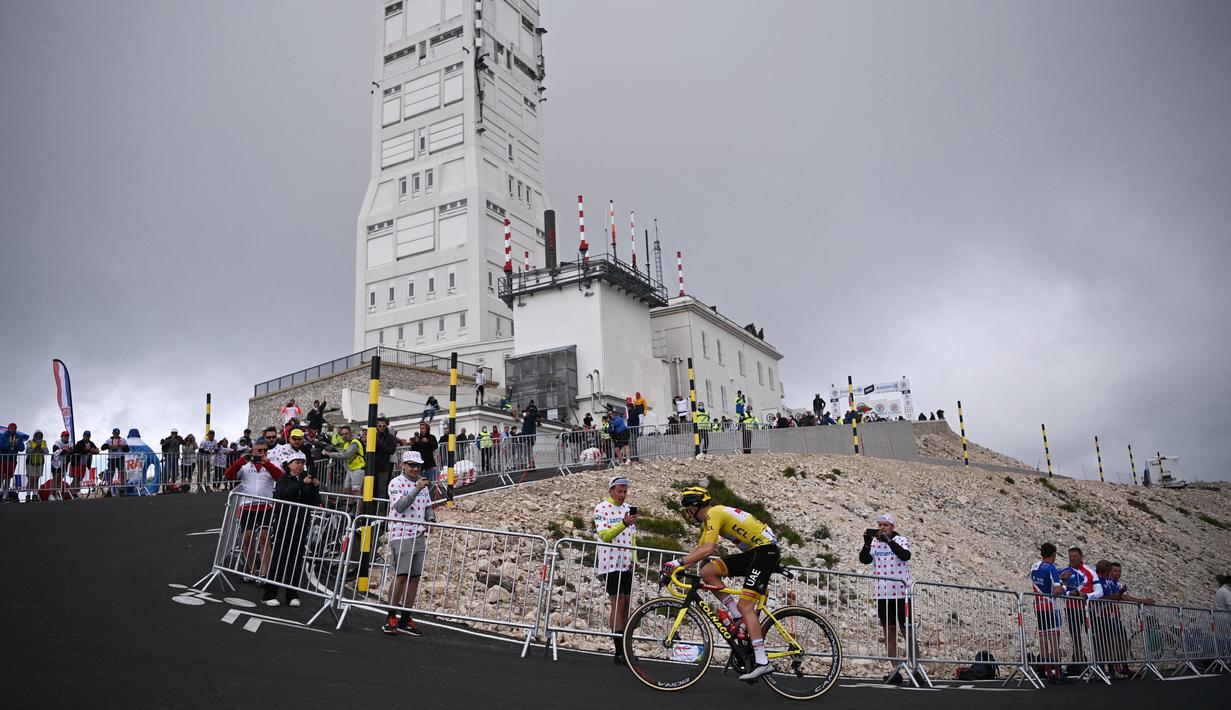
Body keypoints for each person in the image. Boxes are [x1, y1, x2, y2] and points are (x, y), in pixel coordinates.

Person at [662, 486, 780, 681]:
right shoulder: (712, 518)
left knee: (746, 605)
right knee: (708, 572)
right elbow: (699, 551)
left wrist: (677, 562)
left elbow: (708, 549)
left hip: (765, 552)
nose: (688, 514)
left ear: (693, 506)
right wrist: (675, 570)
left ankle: (762, 661)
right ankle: (736, 616)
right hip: (755, 553)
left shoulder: (714, 513)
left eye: (687, 509)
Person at [859, 513, 917, 684]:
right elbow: (864, 559)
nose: (882, 528)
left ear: (892, 527)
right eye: (880, 525)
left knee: (907, 630)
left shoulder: (900, 540)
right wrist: (867, 542)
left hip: (901, 593)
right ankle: (895, 670)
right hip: (883, 593)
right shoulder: (875, 543)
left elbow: (905, 555)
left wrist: (888, 541)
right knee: (889, 630)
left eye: (885, 525)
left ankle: (917, 668)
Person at [382, 450, 434, 635]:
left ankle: (406, 617)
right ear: (403, 465)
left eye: (418, 466)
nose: (415, 469)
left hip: (418, 534)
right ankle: (390, 615)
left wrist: (431, 519)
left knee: (414, 577)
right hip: (401, 533)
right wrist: (416, 488)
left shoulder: (423, 485)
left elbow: (428, 506)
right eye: (412, 465)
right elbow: (400, 506)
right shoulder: (396, 483)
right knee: (402, 575)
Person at [264, 450, 321, 607]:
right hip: (284, 522)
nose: (300, 466)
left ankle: (292, 594)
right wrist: (302, 484)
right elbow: (284, 495)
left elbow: (315, 502)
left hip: (301, 523)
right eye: (297, 462)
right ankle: (269, 593)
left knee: (296, 559)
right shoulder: (283, 479)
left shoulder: (306, 480)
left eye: (302, 463)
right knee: (279, 557)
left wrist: (316, 487)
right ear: (289, 465)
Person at [223, 439, 283, 583]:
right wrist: (241, 461)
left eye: (265, 450)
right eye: (259, 450)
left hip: (266, 506)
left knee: (264, 537)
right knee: (247, 539)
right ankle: (251, 571)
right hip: (247, 506)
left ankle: (265, 573)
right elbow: (228, 476)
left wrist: (267, 463)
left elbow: (280, 478)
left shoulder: (271, 464)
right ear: (253, 451)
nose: (262, 453)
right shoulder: (245, 465)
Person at [594, 475, 638, 663]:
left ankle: (626, 647)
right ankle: (618, 650)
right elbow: (604, 534)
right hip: (610, 562)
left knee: (627, 603)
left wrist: (634, 557)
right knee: (617, 602)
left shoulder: (628, 509)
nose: (622, 495)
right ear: (611, 491)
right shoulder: (601, 508)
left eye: (625, 491)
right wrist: (623, 523)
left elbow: (633, 536)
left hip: (626, 561)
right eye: (619, 491)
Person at [1059, 546, 1102, 673]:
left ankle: (1099, 665)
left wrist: (1087, 596)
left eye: (1075, 557)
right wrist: (1069, 594)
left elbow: (1099, 591)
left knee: (1095, 637)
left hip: (1089, 609)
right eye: (1070, 557)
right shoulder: (1064, 572)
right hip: (1072, 608)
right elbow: (1059, 590)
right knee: (1076, 637)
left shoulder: (1090, 571)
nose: (1072, 559)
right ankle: (1081, 667)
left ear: (1081, 557)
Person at [1030, 542, 1068, 684]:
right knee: (1054, 642)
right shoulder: (1051, 567)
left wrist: (1057, 575)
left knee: (1043, 642)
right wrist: (1065, 584)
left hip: (1039, 606)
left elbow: (1041, 581)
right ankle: (1058, 673)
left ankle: (1048, 672)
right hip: (1051, 607)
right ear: (1054, 554)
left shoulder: (1034, 566)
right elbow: (1057, 590)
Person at [325, 425, 365, 498]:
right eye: (342, 434)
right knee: (346, 489)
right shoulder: (346, 443)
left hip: (358, 470)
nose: (344, 436)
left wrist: (330, 454)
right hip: (350, 469)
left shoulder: (354, 442)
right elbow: (342, 452)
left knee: (356, 491)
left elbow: (346, 455)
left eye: (346, 434)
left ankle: (358, 508)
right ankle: (351, 504)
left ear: (350, 433)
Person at [100, 428, 129, 496]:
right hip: (111, 459)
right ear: (112, 433)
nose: (116, 434)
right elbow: (102, 447)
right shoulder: (109, 440)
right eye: (115, 433)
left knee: (121, 474)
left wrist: (121, 446)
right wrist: (110, 446)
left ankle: (122, 490)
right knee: (110, 475)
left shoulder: (123, 440)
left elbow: (127, 449)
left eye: (118, 433)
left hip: (120, 458)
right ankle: (109, 491)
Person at [22, 430, 47, 499]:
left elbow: (46, 452)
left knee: (36, 479)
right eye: (37, 435)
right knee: (30, 478)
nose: (39, 436)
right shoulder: (30, 442)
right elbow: (27, 451)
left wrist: (41, 449)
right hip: (30, 463)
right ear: (34, 435)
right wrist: (35, 448)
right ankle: (28, 494)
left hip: (40, 463)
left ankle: (35, 494)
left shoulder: (44, 442)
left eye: (40, 435)